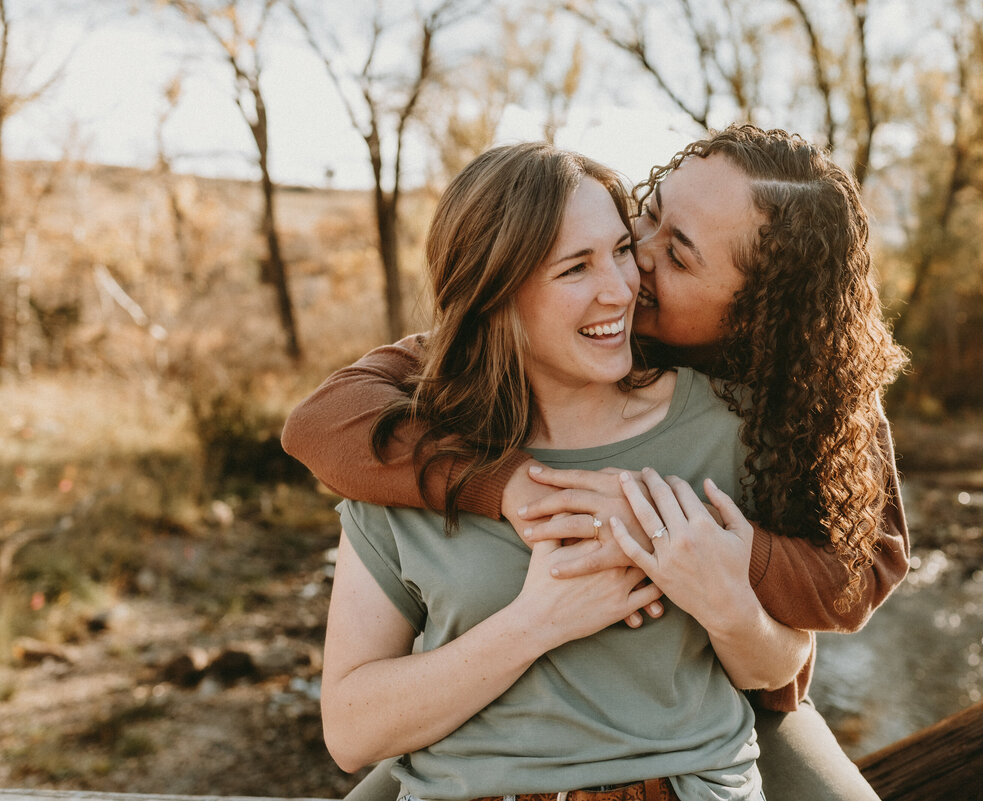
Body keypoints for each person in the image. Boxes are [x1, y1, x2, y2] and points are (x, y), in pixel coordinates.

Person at [283, 125, 909, 800]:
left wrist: (719, 557)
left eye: (677, 255)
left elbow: (854, 575)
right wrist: (505, 484)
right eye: (648, 216)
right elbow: (322, 417)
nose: (631, 268)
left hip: (725, 730)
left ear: (760, 308)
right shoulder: (436, 400)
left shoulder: (793, 405)